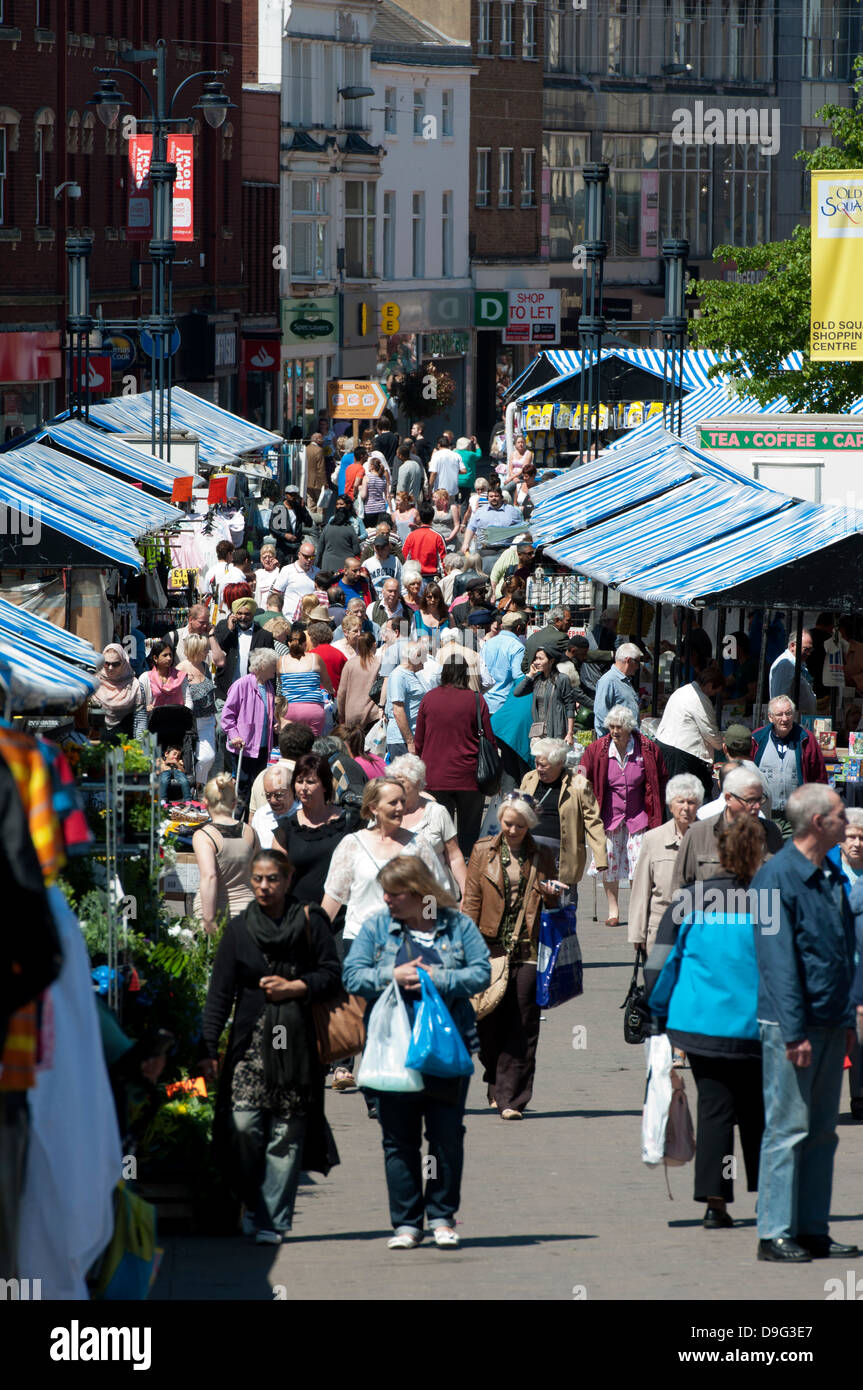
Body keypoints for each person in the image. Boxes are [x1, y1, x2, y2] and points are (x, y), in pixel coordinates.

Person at [343, 857, 490, 1249]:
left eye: (395, 892)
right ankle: (407, 1222)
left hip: (446, 1048)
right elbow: (352, 974)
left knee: (445, 1137)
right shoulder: (378, 927)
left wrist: (433, 978)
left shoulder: (457, 925)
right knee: (398, 1139)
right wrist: (391, 975)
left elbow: (481, 972)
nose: (387, 899)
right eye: (385, 891)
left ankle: (442, 1216)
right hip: (393, 1049)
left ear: (420, 891)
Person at [200, 848, 340, 1244]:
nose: (264, 886)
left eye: (272, 879)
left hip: (296, 1047)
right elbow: (219, 994)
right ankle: (248, 1199)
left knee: (285, 1136)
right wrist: (208, 1047)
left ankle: (272, 1220)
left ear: (288, 880)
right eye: (257, 879)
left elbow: (332, 976)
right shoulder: (240, 929)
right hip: (249, 1048)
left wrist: (296, 987)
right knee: (243, 1127)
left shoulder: (311, 921)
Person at [752, 784, 860, 1262]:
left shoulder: (831, 874)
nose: (848, 825)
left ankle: (813, 1226)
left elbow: (843, 951)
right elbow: (777, 962)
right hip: (791, 1027)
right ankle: (774, 1231)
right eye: (841, 817)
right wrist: (794, 1031)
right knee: (787, 1129)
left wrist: (851, 1009)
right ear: (819, 822)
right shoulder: (775, 878)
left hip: (831, 1021)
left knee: (822, 1132)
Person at [645, 816, 766, 1231]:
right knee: (758, 1109)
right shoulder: (771, 901)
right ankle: (771, 1192)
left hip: (700, 1024)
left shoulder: (690, 899)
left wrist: (655, 1011)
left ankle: (716, 1202)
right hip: (757, 1025)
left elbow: (660, 961)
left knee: (715, 1107)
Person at [321, 777, 447, 1090]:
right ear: (373, 808)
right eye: (393, 802)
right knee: (367, 1017)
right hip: (360, 943)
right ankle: (371, 1084)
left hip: (405, 944)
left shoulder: (417, 845)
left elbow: (437, 894)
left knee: (398, 1017)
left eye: (403, 802)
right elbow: (334, 897)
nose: (401, 808)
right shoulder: (353, 845)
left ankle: (386, 1086)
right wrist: (316, 940)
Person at [463, 794, 560, 1119]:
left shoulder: (541, 853)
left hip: (528, 948)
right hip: (490, 947)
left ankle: (512, 1099)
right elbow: (472, 900)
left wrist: (552, 897)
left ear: (529, 825)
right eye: (508, 824)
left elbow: (553, 905)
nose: (514, 830)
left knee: (522, 1023)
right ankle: (495, 1077)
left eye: (520, 825)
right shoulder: (482, 851)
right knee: (488, 1022)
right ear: (500, 821)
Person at [580, 705, 668, 928]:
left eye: (619, 727)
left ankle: (637, 910)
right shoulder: (597, 750)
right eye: (611, 726)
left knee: (638, 864)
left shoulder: (647, 748)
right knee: (608, 861)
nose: (615, 731)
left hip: (638, 816)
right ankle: (613, 910)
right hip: (609, 817)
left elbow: (661, 777)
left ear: (629, 727)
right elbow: (582, 777)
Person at [413, 651, 496, 860]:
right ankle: (467, 878)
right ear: (465, 675)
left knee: (440, 833)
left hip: (435, 777)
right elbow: (489, 740)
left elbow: (419, 741)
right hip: (469, 777)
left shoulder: (429, 698)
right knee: (469, 834)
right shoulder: (476, 700)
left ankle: (443, 878)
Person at [519, 736, 607, 894]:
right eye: (536, 763)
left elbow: (593, 822)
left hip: (562, 856)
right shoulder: (529, 779)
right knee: (529, 903)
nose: (538, 768)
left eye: (543, 765)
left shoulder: (579, 784)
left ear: (558, 764)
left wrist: (600, 857)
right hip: (529, 853)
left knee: (562, 905)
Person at [628, 774, 704, 954]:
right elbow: (641, 890)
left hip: (698, 928)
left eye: (691, 802)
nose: (686, 808)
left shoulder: (710, 838)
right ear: (670, 805)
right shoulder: (653, 838)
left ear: (699, 805)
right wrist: (637, 935)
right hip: (661, 928)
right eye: (680, 802)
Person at [674, 765, 783, 888]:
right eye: (750, 800)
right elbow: (680, 887)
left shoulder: (772, 832)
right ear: (728, 798)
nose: (757, 807)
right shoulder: (698, 834)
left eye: (760, 799)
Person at [273, 753, 353, 904]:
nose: (303, 788)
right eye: (299, 781)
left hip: (338, 917)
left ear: (324, 785)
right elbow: (276, 876)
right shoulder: (286, 828)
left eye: (310, 782)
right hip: (297, 915)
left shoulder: (346, 822)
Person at [388, 754, 468, 897]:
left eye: (401, 782)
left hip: (431, 897)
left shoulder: (437, 813)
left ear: (417, 783)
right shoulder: (384, 812)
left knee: (429, 918)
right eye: (393, 782)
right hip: (394, 897)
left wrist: (467, 893)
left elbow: (454, 857)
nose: (396, 787)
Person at [751, 696, 827, 839]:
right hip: (764, 814)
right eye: (779, 714)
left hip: (796, 816)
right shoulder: (757, 739)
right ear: (770, 717)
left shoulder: (806, 739)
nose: (785, 719)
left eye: (788, 713)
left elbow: (819, 778)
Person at [192, 774, 257, 935]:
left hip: (216, 911)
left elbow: (209, 877)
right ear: (234, 803)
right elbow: (258, 873)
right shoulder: (250, 832)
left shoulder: (204, 836)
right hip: (247, 912)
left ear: (205, 802)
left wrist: (208, 920)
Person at [654, 663, 726, 800]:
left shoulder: (683, 690)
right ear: (710, 685)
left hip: (666, 745)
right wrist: (722, 744)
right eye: (715, 691)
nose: (714, 695)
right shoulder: (700, 699)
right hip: (680, 753)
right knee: (682, 796)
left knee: (672, 795)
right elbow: (710, 732)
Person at [221, 648, 278, 810]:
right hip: (244, 747)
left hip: (262, 747)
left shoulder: (268, 687)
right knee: (242, 789)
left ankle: (251, 824)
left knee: (257, 789)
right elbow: (227, 716)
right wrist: (234, 735)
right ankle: (236, 824)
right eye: (273, 665)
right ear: (262, 666)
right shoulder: (241, 684)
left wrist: (274, 723)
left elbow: (267, 711)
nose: (275, 669)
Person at [247, 719, 315, 818]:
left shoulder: (262, 776)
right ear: (310, 751)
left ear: (281, 748)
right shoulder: (306, 782)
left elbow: (252, 818)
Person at [213, 596, 275, 702]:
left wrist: (271, 693)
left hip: (254, 692)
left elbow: (271, 665)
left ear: (253, 614)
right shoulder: (225, 628)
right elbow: (218, 647)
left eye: (247, 614)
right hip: (227, 690)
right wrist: (229, 629)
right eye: (240, 613)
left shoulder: (264, 636)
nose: (243, 617)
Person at [277, 627, 334, 738]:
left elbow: (281, 682)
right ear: (305, 644)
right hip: (313, 710)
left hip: (289, 709)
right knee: (312, 745)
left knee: (290, 745)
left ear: (289, 643)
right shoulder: (315, 658)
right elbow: (327, 682)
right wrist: (331, 690)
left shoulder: (282, 661)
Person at [176, 633, 217, 788]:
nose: (207, 652)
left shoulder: (205, 666)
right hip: (190, 722)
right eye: (204, 649)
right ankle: (194, 787)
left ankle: (199, 784)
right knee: (190, 758)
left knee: (209, 756)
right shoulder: (181, 669)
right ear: (195, 650)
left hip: (207, 719)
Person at [514, 644, 576, 746]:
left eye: (540, 659)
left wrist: (569, 733)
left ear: (551, 661)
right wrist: (530, 675)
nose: (536, 662)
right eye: (535, 658)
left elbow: (570, 706)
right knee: (540, 761)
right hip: (538, 732)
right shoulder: (537, 680)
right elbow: (517, 692)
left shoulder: (562, 679)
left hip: (556, 731)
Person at [385, 640, 436, 759]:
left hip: (413, 736)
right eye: (423, 656)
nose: (426, 660)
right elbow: (398, 710)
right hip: (401, 740)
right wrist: (410, 742)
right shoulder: (399, 676)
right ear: (415, 657)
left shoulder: (414, 674)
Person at [135, 639, 192, 737]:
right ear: (155, 658)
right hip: (153, 728)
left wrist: (182, 714)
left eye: (170, 655)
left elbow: (188, 700)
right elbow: (138, 703)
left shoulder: (181, 677)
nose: (169, 658)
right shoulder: (145, 678)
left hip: (177, 727)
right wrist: (145, 708)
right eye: (165, 655)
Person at [462, 484, 524, 574]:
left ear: (501, 497)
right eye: (491, 496)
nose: (494, 498)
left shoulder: (512, 511)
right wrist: (465, 543)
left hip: (505, 550)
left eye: (496, 496)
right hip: (485, 551)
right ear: (487, 498)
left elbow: (521, 528)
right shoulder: (480, 512)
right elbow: (471, 528)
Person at [92, 643, 145, 738]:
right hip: (97, 743)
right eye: (106, 663)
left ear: (124, 663)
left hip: (126, 744)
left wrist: (139, 747)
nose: (110, 668)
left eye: (115, 664)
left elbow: (140, 720)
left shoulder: (135, 685)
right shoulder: (94, 682)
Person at [482, 611, 529, 714]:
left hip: (485, 700)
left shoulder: (488, 643)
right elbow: (518, 676)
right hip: (504, 703)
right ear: (518, 628)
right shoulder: (517, 647)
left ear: (502, 626)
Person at [591, 643, 642, 735]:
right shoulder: (608, 681)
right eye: (637, 662)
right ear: (629, 660)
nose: (638, 667)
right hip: (616, 743)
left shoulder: (624, 680)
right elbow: (601, 714)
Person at [769, 630, 817, 716]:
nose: (809, 653)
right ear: (792, 646)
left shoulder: (799, 664)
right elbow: (780, 699)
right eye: (806, 649)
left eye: (811, 649)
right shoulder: (785, 665)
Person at [251, 765, 295, 850]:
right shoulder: (260, 815)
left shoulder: (303, 814)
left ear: (292, 790)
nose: (273, 800)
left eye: (278, 795)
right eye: (268, 795)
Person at [273, 542, 319, 621]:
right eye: (306, 557)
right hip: (289, 620)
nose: (309, 560)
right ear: (299, 555)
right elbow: (276, 594)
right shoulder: (287, 570)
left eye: (312, 557)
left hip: (311, 620)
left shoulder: (317, 572)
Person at [316, 495, 361, 573]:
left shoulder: (327, 528)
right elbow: (357, 550)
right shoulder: (350, 529)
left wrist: (316, 565)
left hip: (327, 566)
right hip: (344, 568)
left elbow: (320, 549)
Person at [521, 605, 572, 672]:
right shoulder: (561, 637)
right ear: (557, 621)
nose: (571, 623)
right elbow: (573, 657)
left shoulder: (532, 637)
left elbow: (524, 666)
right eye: (568, 620)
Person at [403, 503, 446, 579]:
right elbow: (443, 561)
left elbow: (404, 558)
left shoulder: (411, 536)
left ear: (419, 517)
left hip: (415, 578)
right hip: (433, 578)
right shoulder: (437, 536)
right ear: (432, 518)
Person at [364, 531, 403, 597]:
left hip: (392, 597)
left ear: (388, 546)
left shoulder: (395, 561)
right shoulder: (367, 563)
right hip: (375, 599)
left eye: (382, 548)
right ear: (374, 547)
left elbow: (401, 581)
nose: (380, 551)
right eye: (377, 548)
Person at [428, 436, 466, 502]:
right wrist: (453, 470)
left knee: (438, 510)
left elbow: (433, 472)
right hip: (452, 490)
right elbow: (464, 471)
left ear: (438, 445)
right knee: (451, 509)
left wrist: (430, 488)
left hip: (439, 490)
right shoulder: (456, 455)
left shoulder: (436, 455)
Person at [359, 456, 390, 527]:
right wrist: (391, 508)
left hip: (370, 509)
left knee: (370, 532)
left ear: (372, 466)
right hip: (381, 508)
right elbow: (387, 495)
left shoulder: (367, 478)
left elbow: (363, 495)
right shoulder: (383, 478)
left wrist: (360, 489)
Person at [253, 544, 282, 611]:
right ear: (261, 559)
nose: (267, 560)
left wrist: (279, 567)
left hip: (274, 609)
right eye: (264, 557)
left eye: (270, 557)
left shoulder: (279, 572)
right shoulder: (258, 573)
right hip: (259, 609)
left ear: (275, 557)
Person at [304, 432, 327, 510]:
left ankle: (312, 519)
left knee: (310, 502)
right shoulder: (319, 450)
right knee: (320, 503)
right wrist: (325, 483)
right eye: (321, 439)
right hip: (317, 482)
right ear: (317, 439)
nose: (323, 441)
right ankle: (320, 520)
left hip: (307, 481)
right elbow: (321, 468)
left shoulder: (305, 448)